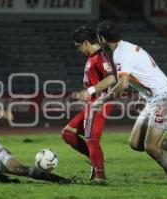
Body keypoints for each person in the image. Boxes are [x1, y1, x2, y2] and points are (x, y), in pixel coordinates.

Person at [94, 20, 167, 191]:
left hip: (165, 98)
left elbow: (123, 83)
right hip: (154, 98)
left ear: (102, 39)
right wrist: (144, 96)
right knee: (136, 143)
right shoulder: (127, 47)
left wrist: (103, 100)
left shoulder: (120, 54)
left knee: (152, 147)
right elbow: (145, 72)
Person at [61, 26, 116, 184]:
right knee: (67, 133)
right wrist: (84, 93)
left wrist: (90, 91)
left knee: (91, 138)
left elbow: (111, 79)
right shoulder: (92, 57)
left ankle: (100, 177)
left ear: (86, 42)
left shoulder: (100, 57)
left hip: (98, 104)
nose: (78, 50)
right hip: (92, 103)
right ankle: (95, 159)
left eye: (79, 46)